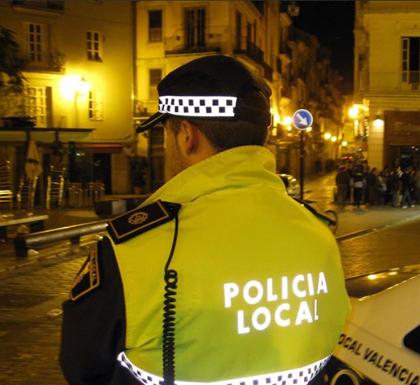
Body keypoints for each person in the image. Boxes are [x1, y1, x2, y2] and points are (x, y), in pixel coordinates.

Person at [60, 55, 350, 385]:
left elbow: (82, 365)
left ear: (187, 136)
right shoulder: (317, 231)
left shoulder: (134, 248)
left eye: (165, 135)